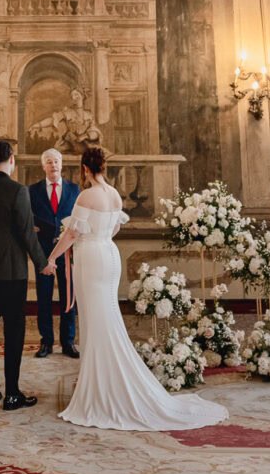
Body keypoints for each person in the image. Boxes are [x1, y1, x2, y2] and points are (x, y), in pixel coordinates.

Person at [43, 146, 229, 432]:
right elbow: (114, 228)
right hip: (109, 254)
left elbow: (72, 233)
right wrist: (97, 236)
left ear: (84, 168)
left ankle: (102, 386)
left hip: (91, 258)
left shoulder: (86, 195)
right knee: (105, 316)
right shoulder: (114, 194)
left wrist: (53, 256)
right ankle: (103, 379)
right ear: (102, 167)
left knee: (95, 320)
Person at [0, 138, 48, 412]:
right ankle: (12, 394)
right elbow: (27, 233)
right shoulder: (19, 191)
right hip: (14, 274)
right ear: (12, 159)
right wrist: (43, 263)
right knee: (14, 334)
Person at [27, 148, 79, 359]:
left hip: (67, 252)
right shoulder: (32, 191)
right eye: (49, 162)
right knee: (44, 298)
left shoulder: (74, 189)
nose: (53, 165)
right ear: (43, 166)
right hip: (43, 252)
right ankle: (46, 342)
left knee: (68, 297)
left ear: (62, 164)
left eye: (56, 161)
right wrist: (33, 228)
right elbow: (27, 218)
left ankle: (68, 342)